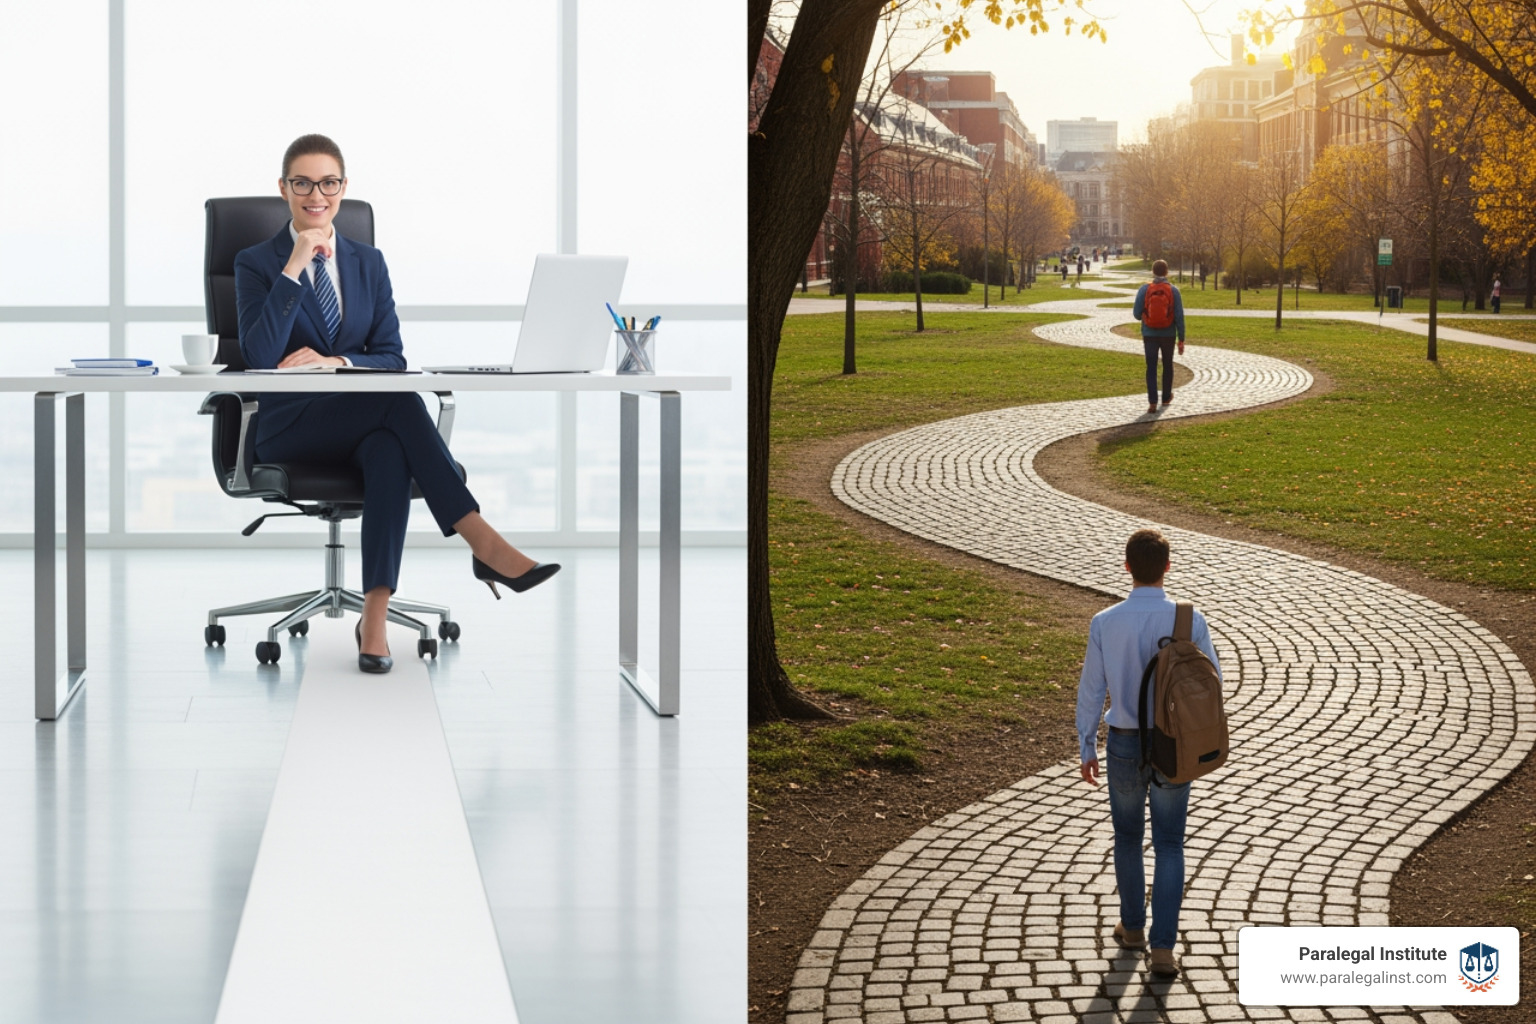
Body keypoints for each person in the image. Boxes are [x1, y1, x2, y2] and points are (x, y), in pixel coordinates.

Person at [234, 134, 559, 674]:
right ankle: (482, 542)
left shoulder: (368, 262)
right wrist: (294, 266)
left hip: (362, 422)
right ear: (283, 188)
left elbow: (391, 356)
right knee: (401, 403)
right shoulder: (256, 263)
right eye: (303, 183)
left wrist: (337, 363)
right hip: (289, 426)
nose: (316, 195)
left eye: (328, 183)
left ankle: (375, 620)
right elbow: (260, 355)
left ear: (343, 187)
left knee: (389, 445)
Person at [1076, 529, 1222, 978]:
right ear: (1167, 567)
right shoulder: (1189, 619)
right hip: (1173, 745)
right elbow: (1211, 681)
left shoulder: (1105, 622)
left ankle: (1133, 927)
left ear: (1127, 568)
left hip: (1123, 742)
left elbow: (1092, 689)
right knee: (1170, 843)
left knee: (1127, 838)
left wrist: (1086, 743)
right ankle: (1163, 949)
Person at [1132, 259, 1186, 414]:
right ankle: (1166, 397)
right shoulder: (1173, 291)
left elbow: (1136, 314)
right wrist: (1181, 338)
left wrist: (1146, 316)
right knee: (1167, 365)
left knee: (1151, 367)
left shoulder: (1144, 289)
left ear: (1153, 271)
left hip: (1149, 334)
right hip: (1168, 334)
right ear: (1167, 272)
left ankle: (1152, 402)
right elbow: (1179, 317)